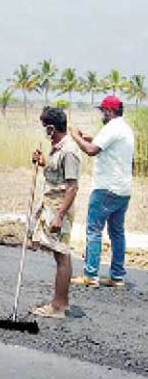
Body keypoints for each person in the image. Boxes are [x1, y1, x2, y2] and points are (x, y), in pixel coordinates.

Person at [69, 95, 135, 287]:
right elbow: (104, 145)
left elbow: (91, 150)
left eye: (103, 111)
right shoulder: (125, 128)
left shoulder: (112, 128)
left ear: (109, 111)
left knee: (94, 230)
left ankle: (90, 275)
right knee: (117, 233)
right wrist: (88, 138)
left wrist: (75, 136)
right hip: (123, 189)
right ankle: (117, 276)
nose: (102, 115)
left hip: (106, 188)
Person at [29, 107, 81, 318]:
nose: (44, 132)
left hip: (60, 207)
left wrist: (59, 215)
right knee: (61, 253)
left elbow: (72, 187)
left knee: (61, 254)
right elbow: (55, 174)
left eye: (45, 127)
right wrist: (41, 161)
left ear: (52, 128)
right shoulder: (57, 148)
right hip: (51, 204)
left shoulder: (69, 151)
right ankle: (62, 302)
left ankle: (58, 306)